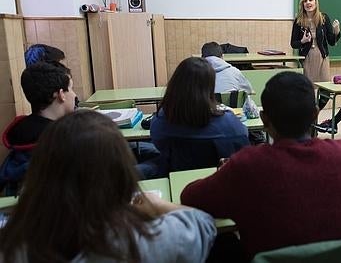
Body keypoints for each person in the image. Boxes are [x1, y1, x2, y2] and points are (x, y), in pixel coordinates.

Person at [180, 72, 341, 261]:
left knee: (221, 242)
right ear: (315, 115)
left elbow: (190, 198)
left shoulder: (246, 166)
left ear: (264, 119)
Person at [0, 110, 216, 262]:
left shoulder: (13, 245)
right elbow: (204, 225)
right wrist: (157, 204)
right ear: (121, 174)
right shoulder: (143, 241)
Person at [150, 57, 249, 173]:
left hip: (175, 178)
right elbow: (242, 140)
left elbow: (158, 144)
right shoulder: (229, 124)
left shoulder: (161, 121)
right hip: (219, 180)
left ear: (175, 85)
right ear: (211, 87)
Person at [0, 61, 76, 196]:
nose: (74, 95)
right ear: (60, 94)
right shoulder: (63, 140)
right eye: (70, 88)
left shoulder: (20, 134)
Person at [290, 0, 341, 109]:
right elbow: (293, 44)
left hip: (322, 57)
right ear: (302, 4)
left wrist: (336, 31)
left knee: (327, 90)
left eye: (310, 0)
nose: (308, 3)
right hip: (307, 58)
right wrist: (302, 41)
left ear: (315, 2)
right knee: (308, 90)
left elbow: (332, 42)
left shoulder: (323, 18)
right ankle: (310, 116)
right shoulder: (298, 21)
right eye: (305, 1)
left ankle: (316, 111)